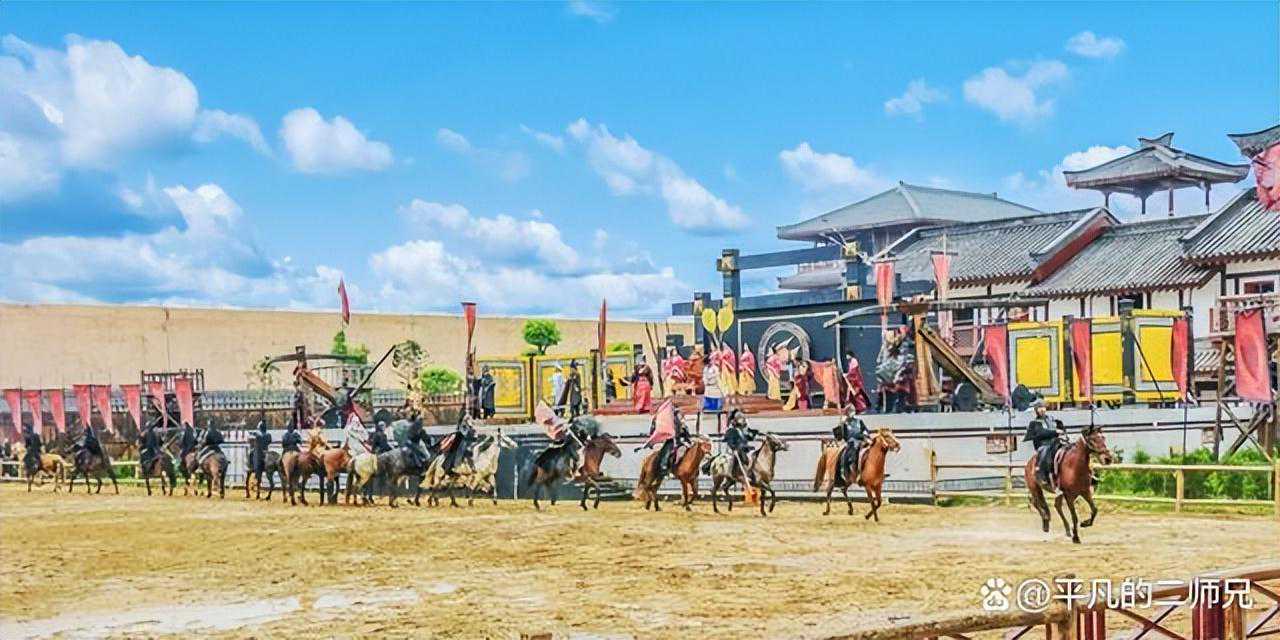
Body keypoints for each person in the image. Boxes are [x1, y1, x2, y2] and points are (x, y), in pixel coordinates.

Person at [1022, 400, 1064, 486]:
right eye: (1040, 408)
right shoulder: (1034, 423)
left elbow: (1060, 428)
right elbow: (1041, 433)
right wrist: (1055, 432)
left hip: (1055, 443)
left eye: (1043, 407)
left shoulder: (1051, 419)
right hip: (1043, 444)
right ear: (1036, 410)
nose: (1042, 409)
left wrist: (1061, 429)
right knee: (1045, 451)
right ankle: (1041, 472)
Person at [832, 407, 872, 485]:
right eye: (849, 411)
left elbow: (865, 430)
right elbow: (840, 436)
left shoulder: (859, 421)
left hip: (863, 442)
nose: (851, 413)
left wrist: (866, 437)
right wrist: (840, 424)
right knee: (848, 456)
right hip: (851, 443)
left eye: (852, 410)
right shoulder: (845, 423)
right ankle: (849, 474)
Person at [717, 409, 759, 480]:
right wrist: (735, 448)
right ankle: (734, 473)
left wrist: (754, 433)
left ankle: (753, 471)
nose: (743, 421)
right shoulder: (731, 431)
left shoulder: (743, 431)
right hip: (736, 450)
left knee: (754, 455)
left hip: (744, 449)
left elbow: (749, 438)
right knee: (739, 457)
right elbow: (730, 442)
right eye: (741, 420)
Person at [248, 420, 271, 487]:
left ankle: (251, 467)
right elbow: (269, 441)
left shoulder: (257, 434)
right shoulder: (268, 434)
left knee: (250, 453)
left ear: (260, 427)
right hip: (266, 450)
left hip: (259, 451)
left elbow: (252, 438)